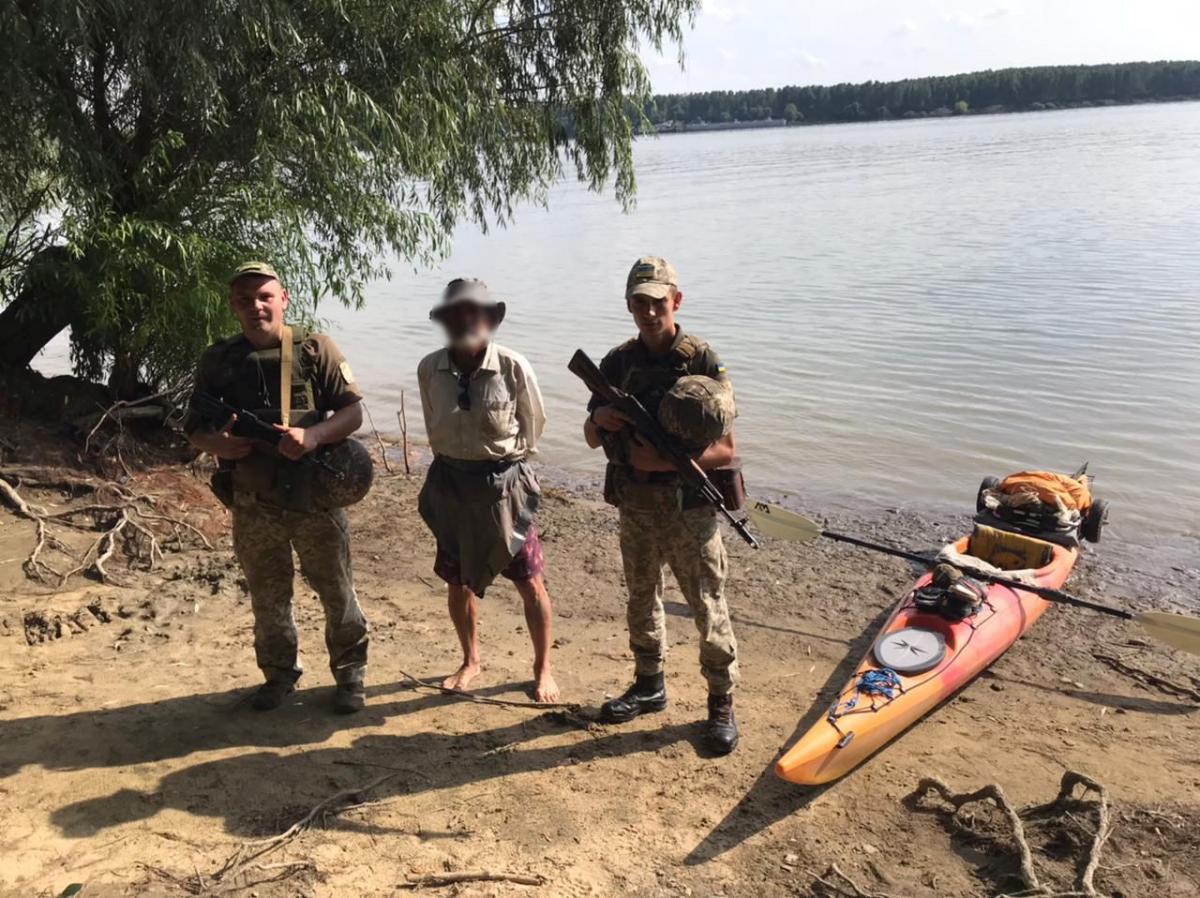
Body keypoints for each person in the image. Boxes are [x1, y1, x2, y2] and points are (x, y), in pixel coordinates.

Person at [184, 262, 370, 714]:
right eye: (245, 300)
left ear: (283, 299)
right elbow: (195, 428)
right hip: (253, 502)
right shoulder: (219, 360)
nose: (256, 307)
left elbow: (352, 413)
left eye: (265, 297)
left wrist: (313, 436)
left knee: (336, 590)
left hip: (314, 499)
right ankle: (279, 675)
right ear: (233, 307)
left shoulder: (313, 349)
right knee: (268, 596)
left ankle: (350, 677)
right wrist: (221, 445)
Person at [583, 256, 741, 754]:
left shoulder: (701, 361)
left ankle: (720, 703)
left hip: (689, 510)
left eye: (657, 302)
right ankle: (649, 684)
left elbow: (727, 449)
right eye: (639, 302)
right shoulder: (616, 363)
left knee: (707, 605)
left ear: (676, 300)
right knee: (640, 598)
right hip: (635, 506)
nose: (649, 312)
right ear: (629, 305)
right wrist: (604, 416)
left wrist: (673, 461)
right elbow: (589, 436)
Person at [416, 278, 560, 703]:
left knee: (530, 581)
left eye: (474, 313)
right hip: (450, 485)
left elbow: (534, 427)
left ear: (488, 319)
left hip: (505, 489)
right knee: (457, 582)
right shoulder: (429, 368)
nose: (466, 321)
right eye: (457, 313)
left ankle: (543, 668)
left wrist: (503, 465)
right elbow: (432, 424)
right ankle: (470, 659)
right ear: (447, 320)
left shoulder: (513, 366)